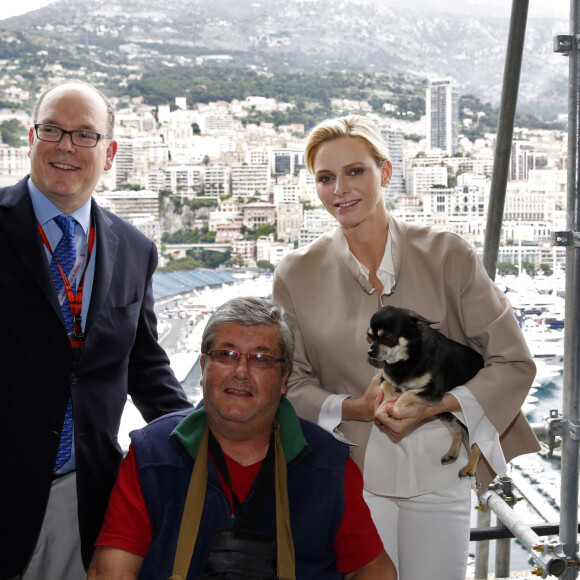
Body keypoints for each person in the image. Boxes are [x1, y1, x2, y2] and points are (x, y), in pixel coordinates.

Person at [272, 114, 540, 580]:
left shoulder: (448, 253)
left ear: (386, 172)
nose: (341, 189)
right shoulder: (295, 274)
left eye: (355, 171)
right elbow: (291, 381)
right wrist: (354, 408)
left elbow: (512, 362)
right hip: (350, 475)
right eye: (325, 178)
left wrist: (438, 405)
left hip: (443, 473)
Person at [0, 80, 192, 580]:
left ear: (108, 154)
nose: (66, 146)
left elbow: (146, 367)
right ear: (31, 137)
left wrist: (210, 435)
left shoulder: (135, 249)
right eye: (52, 130)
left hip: (84, 497)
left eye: (85, 135)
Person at [88, 296, 396, 580]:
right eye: (226, 355)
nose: (241, 371)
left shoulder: (327, 463)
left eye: (261, 359)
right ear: (204, 366)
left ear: (283, 378)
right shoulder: (153, 454)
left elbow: (374, 567)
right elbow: (111, 570)